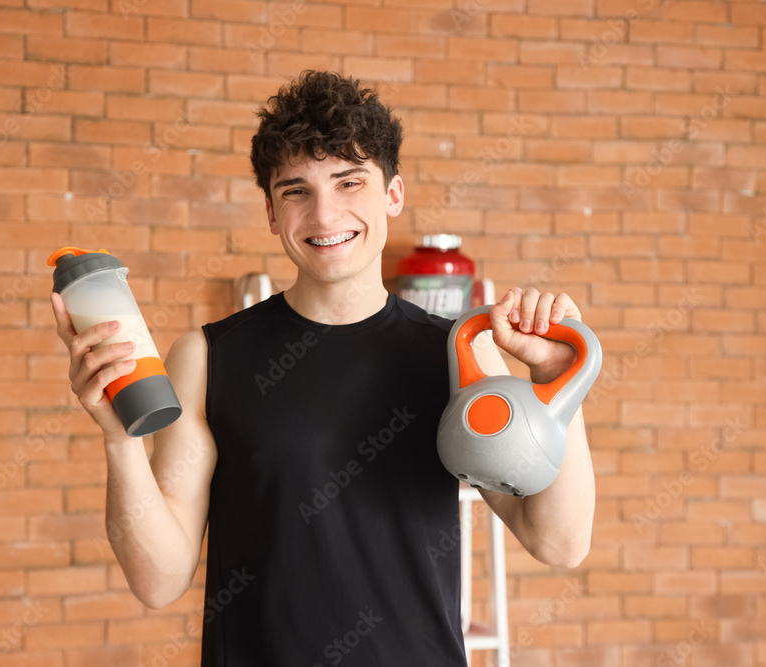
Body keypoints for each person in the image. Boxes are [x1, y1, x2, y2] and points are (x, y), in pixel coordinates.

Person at [51, 70, 595, 666]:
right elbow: (159, 581)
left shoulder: (458, 354)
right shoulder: (208, 358)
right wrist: (119, 440)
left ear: (393, 193)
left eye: (349, 181)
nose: (324, 213)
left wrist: (556, 386)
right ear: (270, 210)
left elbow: (558, 541)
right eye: (295, 191)